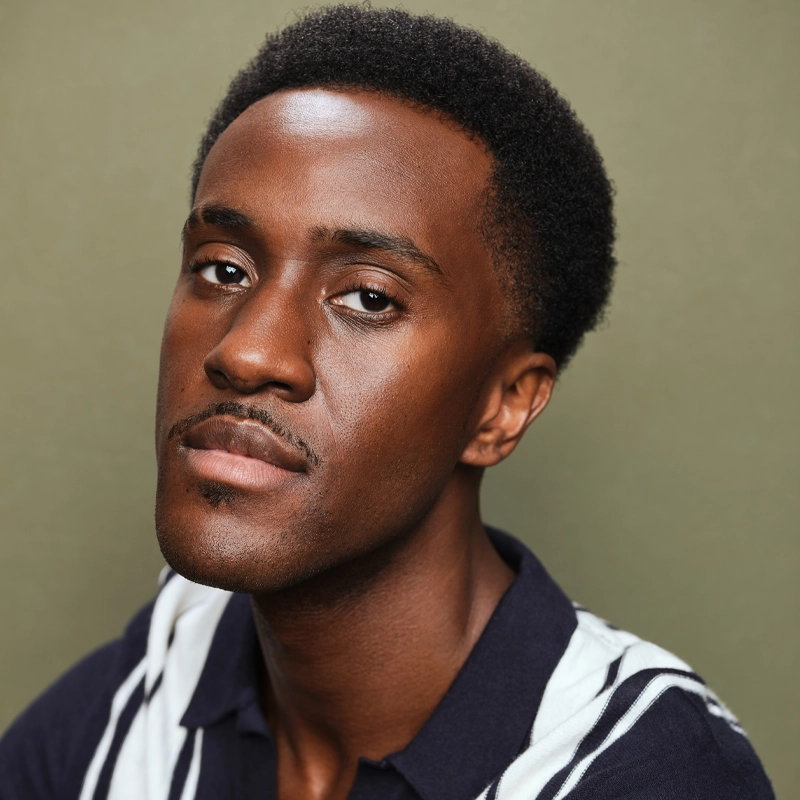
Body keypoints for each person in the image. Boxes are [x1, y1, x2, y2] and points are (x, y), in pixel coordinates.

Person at [0, 5, 774, 799]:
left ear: (503, 406)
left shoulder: (650, 771)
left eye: (368, 297)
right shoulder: (156, 682)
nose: (245, 352)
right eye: (224, 269)